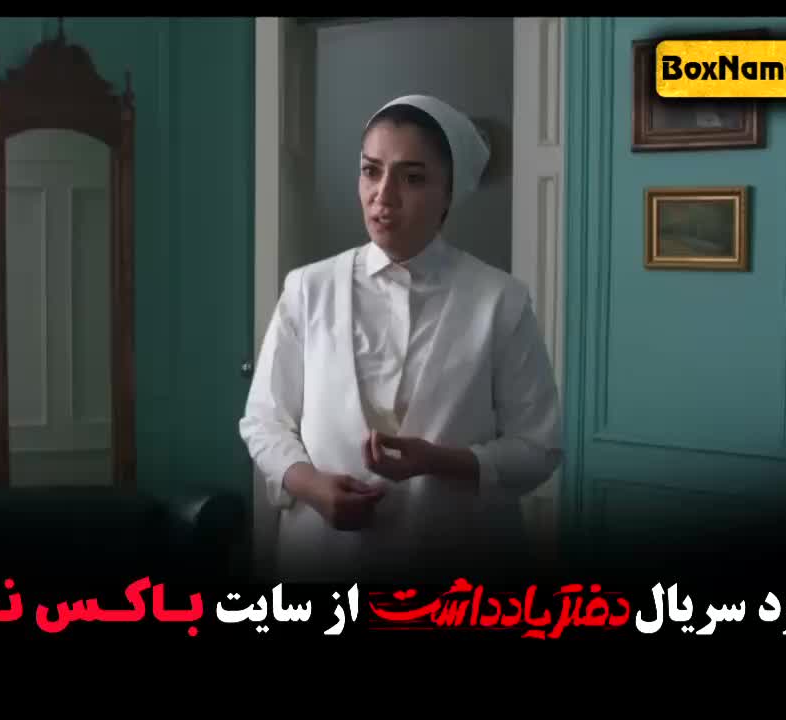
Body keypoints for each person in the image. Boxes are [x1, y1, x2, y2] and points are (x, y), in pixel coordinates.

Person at [239, 94, 562, 583]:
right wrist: (310, 486)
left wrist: (441, 461)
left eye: (412, 178)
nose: (383, 196)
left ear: (449, 193)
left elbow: (539, 449)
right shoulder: (308, 289)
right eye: (371, 171)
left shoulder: (501, 301)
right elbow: (264, 420)